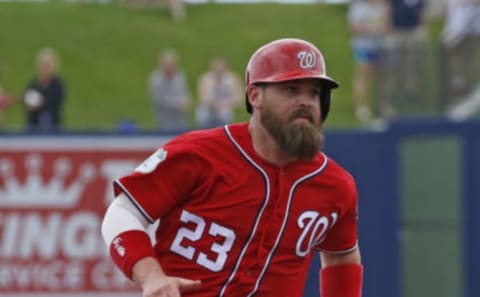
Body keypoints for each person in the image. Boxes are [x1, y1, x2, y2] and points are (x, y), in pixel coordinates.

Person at [101, 38, 363, 297]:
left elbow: (342, 257)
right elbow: (123, 211)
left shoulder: (335, 185)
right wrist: (151, 275)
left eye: (314, 93)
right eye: (291, 90)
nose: (306, 101)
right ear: (255, 95)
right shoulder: (200, 153)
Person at [348, 0, 391, 122]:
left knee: (382, 77)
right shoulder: (358, 6)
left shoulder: (383, 5)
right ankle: (361, 107)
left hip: (380, 46)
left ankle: (383, 105)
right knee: (363, 75)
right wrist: (372, 29)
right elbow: (354, 28)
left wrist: (382, 28)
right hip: (363, 46)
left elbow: (387, 25)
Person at [24, 47, 66, 131]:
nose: (45, 68)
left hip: (52, 126)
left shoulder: (58, 85)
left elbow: (56, 103)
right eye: (43, 64)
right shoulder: (33, 84)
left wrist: (40, 103)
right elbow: (27, 102)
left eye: (48, 65)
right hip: (33, 126)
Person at [149, 49, 191, 132]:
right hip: (165, 115)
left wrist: (187, 100)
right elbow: (158, 100)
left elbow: (184, 92)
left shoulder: (180, 76)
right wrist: (177, 104)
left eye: (172, 65)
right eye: (168, 65)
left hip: (181, 115)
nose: (170, 67)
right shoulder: (155, 79)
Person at [195, 56, 243, 128]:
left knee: (225, 116)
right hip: (208, 111)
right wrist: (214, 104)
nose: (219, 68)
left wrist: (225, 103)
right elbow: (203, 98)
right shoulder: (205, 79)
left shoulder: (232, 79)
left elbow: (239, 99)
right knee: (204, 116)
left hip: (225, 112)